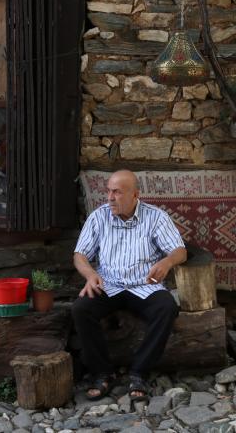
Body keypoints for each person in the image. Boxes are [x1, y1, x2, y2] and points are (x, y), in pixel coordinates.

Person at [71, 169, 186, 401]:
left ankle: (139, 372)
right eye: (108, 191)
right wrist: (90, 274)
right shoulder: (99, 216)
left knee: (167, 308)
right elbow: (79, 255)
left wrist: (167, 261)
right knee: (81, 309)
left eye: (117, 192)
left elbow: (180, 251)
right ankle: (102, 372)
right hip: (109, 284)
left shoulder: (155, 217)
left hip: (144, 285)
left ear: (135, 195)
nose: (110, 197)